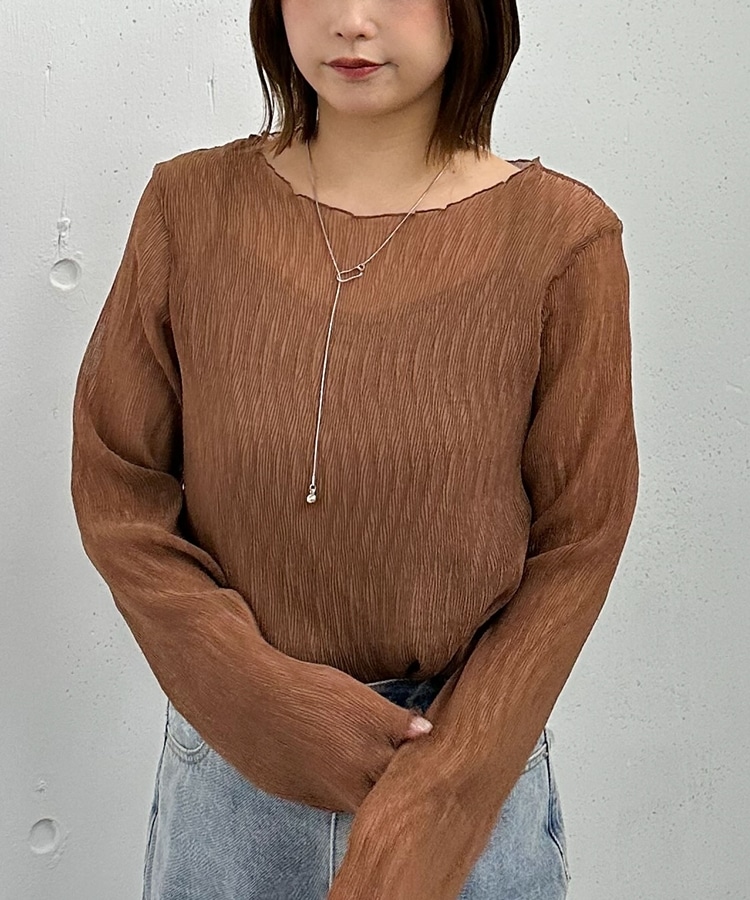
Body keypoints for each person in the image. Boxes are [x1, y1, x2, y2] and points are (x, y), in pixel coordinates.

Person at [70, 0, 639, 898]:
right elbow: (117, 488)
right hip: (231, 777)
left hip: (465, 777)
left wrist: (440, 795)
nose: (352, 19)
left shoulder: (562, 241)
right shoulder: (188, 207)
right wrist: (260, 700)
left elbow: (581, 540)